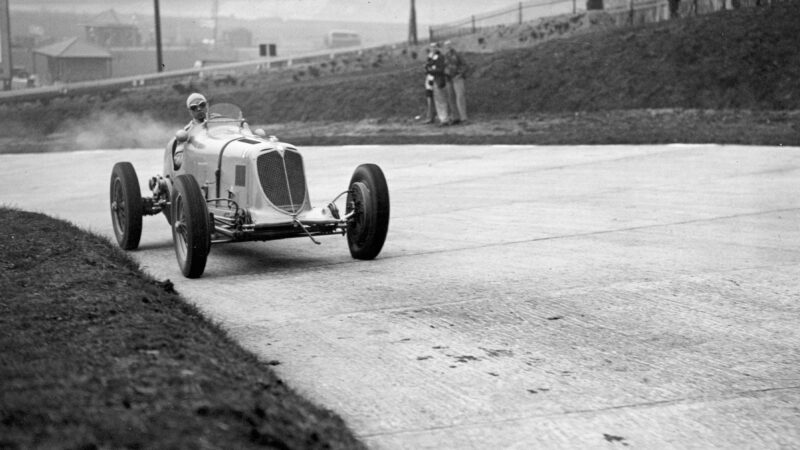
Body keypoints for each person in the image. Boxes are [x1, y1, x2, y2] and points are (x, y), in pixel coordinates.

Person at [425, 42, 450, 126]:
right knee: (437, 100)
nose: (433, 48)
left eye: (435, 47)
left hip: (439, 80)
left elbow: (441, 69)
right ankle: (441, 118)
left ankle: (444, 119)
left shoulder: (440, 57)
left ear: (438, 48)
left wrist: (430, 71)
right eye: (432, 47)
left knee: (441, 100)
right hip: (432, 80)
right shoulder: (431, 57)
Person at [444, 40, 468, 124]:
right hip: (448, 79)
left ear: (452, 45)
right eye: (446, 45)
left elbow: (464, 65)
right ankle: (455, 117)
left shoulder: (457, 55)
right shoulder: (445, 56)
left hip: (457, 78)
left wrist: (460, 74)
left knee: (460, 97)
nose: (448, 47)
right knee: (451, 98)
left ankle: (463, 118)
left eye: (449, 45)